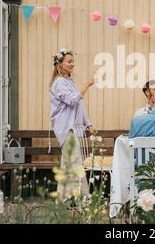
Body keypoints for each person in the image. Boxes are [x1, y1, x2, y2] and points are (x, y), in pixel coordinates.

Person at [50, 48, 96, 198]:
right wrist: (87, 85)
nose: (72, 64)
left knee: (73, 163)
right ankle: (73, 198)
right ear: (60, 64)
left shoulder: (69, 81)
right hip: (66, 128)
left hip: (73, 128)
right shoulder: (59, 83)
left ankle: (75, 197)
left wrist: (87, 124)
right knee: (72, 163)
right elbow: (72, 100)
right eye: (69, 62)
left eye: (73, 61)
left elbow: (78, 106)